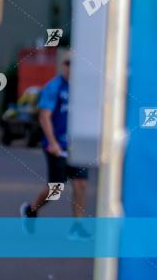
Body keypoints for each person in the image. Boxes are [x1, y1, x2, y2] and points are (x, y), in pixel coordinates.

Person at [20, 56, 90, 239]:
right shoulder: (54, 87)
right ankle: (31, 211)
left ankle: (77, 226)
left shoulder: (84, 87)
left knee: (81, 184)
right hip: (57, 145)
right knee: (56, 189)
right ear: (63, 67)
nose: (72, 70)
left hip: (78, 145)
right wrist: (52, 142)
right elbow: (45, 116)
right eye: (69, 66)